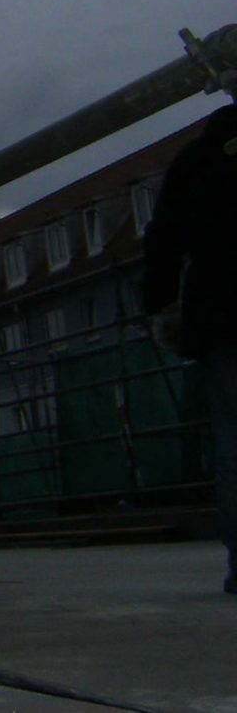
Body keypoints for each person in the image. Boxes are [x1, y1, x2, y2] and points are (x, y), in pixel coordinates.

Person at [143, 103, 237, 596]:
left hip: (222, 310)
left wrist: (159, 302)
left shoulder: (197, 157)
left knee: (232, 440)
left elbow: (162, 239)